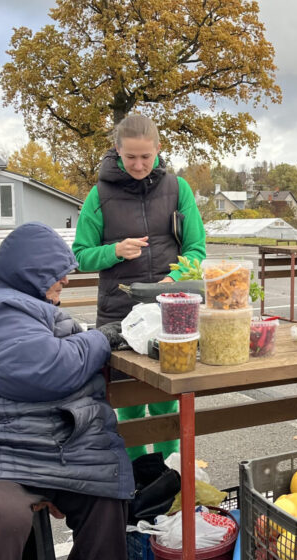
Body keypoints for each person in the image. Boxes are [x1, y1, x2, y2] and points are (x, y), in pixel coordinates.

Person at [0, 222, 133, 560]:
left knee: (105, 492)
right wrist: (102, 339)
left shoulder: (25, 305)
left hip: (36, 443)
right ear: (34, 272)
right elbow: (47, 369)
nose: (66, 281)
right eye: (59, 273)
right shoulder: (3, 307)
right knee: (2, 516)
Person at [72, 113, 207, 461]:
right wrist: (113, 251)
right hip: (118, 314)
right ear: (117, 150)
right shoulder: (99, 195)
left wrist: (174, 280)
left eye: (145, 156)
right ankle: (135, 483)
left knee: (166, 404)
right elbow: (81, 256)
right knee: (128, 408)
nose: (138, 164)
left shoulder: (178, 189)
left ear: (158, 149)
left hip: (171, 313)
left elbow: (197, 250)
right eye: (130, 156)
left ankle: (169, 477)